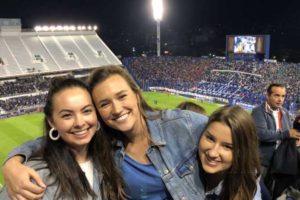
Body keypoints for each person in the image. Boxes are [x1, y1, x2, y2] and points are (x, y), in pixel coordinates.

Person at [2, 65, 208, 200]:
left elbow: (230, 138)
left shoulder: (181, 124)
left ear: (137, 95)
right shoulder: (106, 147)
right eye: (104, 103)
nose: (117, 109)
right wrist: (13, 162)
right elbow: (53, 141)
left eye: (86, 111)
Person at [0, 77, 125, 199]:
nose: (80, 122)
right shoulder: (32, 176)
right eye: (67, 115)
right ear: (52, 122)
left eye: (86, 111)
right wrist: (12, 163)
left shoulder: (109, 155)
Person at [198, 105, 262, 200]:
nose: (212, 153)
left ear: (242, 153)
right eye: (210, 138)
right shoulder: (181, 160)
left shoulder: (247, 186)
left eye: (227, 146)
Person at [251, 83, 300, 179]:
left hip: (278, 163)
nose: (280, 99)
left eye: (283, 96)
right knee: (255, 191)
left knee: (270, 193)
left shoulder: (285, 112)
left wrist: (296, 137)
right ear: (268, 95)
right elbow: (261, 134)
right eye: (276, 95)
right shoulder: (258, 111)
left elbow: (290, 133)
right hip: (261, 162)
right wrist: (286, 134)